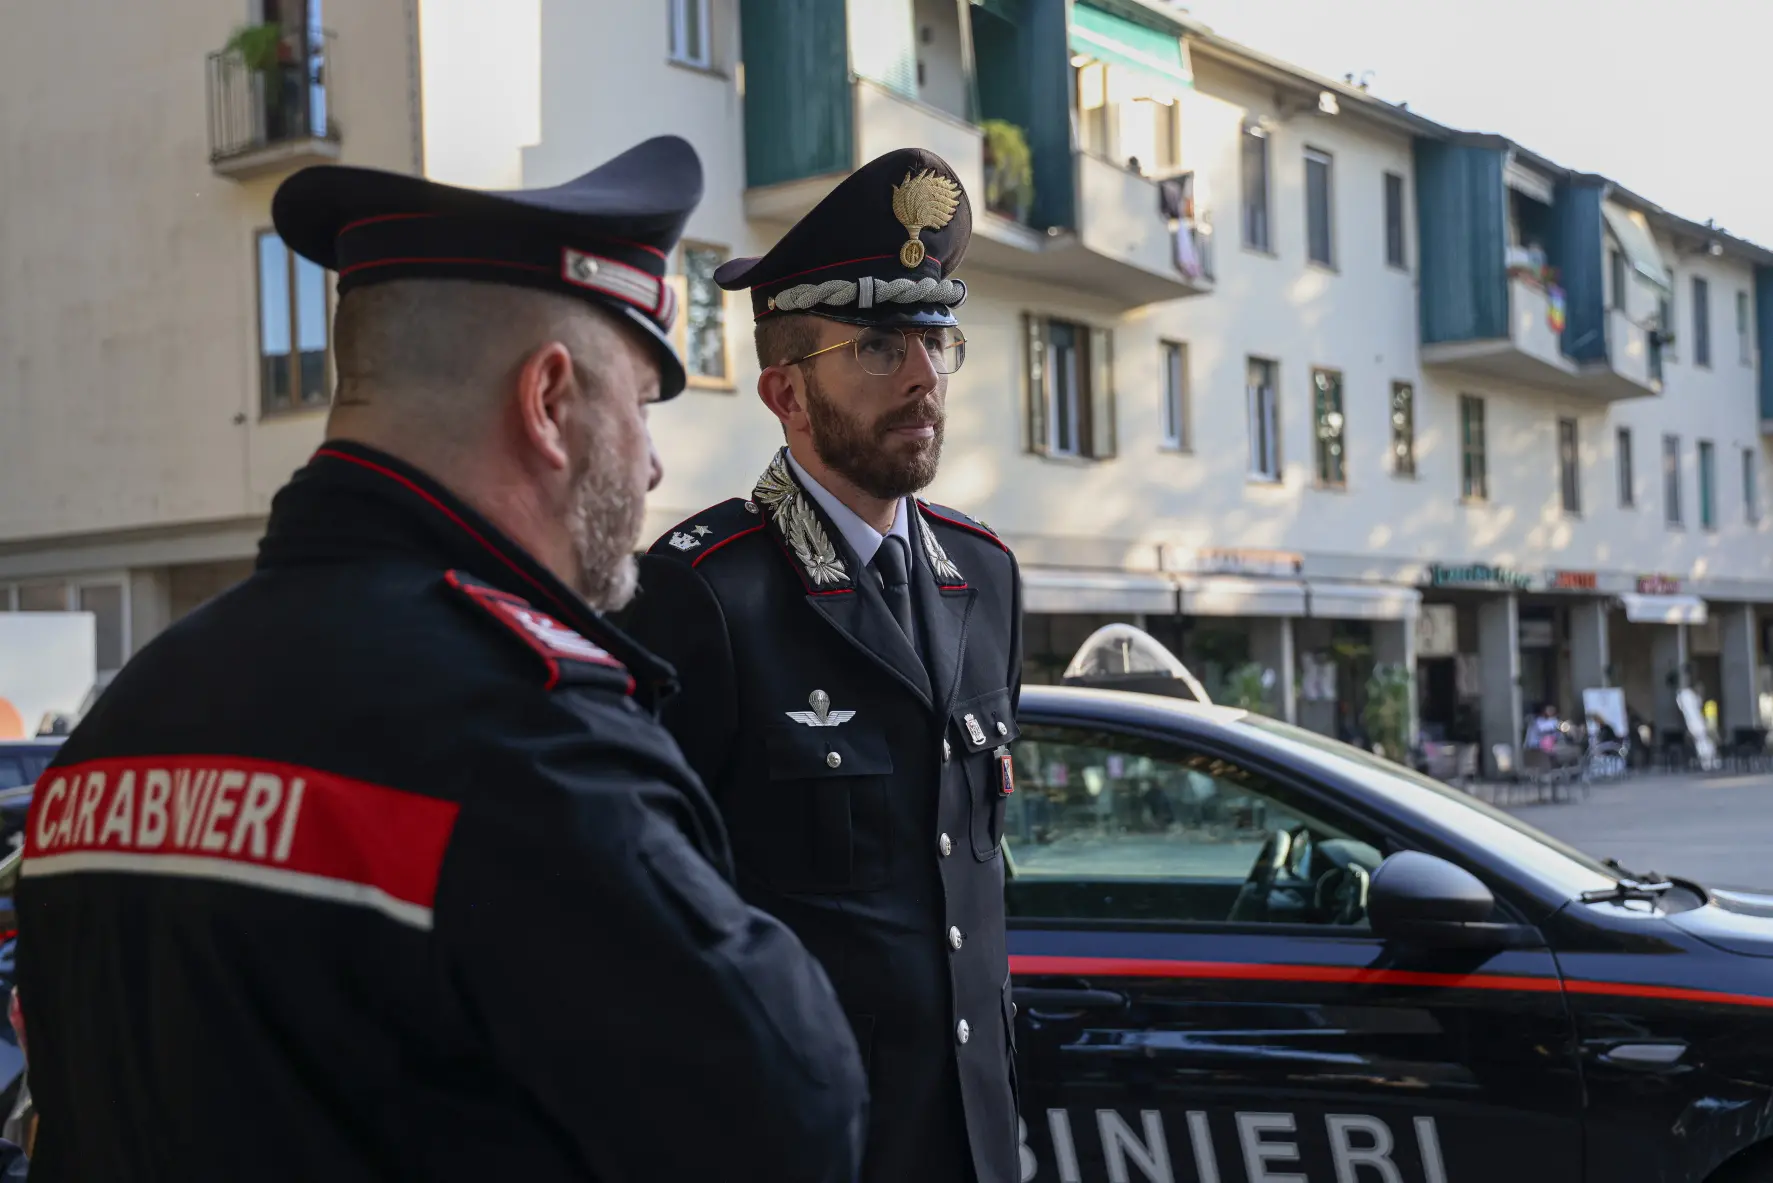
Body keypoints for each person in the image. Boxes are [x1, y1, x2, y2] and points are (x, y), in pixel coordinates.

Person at [16, 137, 867, 1183]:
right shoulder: (526, 745)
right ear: (550, 401)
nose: (650, 463)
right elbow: (793, 1115)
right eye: (639, 408)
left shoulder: (122, 724)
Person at [618, 148, 1024, 1183]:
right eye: (881, 345)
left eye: (937, 338)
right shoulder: (703, 593)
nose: (926, 375)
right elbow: (655, 927)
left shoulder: (985, 573)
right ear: (786, 392)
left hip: (973, 1144)